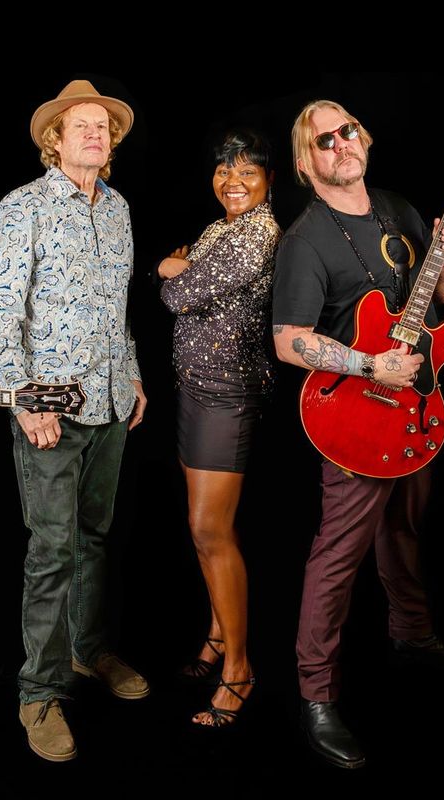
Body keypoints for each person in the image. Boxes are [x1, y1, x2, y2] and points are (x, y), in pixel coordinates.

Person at [271, 100, 444, 770]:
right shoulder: (306, 239)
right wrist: (369, 365)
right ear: (305, 161)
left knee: (405, 528)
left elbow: (441, 296)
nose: (342, 143)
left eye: (348, 131)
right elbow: (288, 340)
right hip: (355, 415)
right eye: (324, 140)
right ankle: (316, 696)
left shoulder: (397, 209)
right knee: (340, 554)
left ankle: (411, 636)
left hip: (415, 404)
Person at [0, 79, 148, 763]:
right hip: (48, 408)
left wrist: (131, 374)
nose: (95, 133)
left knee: (93, 538)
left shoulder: (119, 208)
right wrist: (25, 400)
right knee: (51, 551)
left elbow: (117, 308)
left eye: (103, 126)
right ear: (55, 140)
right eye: (81, 125)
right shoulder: (23, 205)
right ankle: (39, 693)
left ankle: (87, 650)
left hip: (109, 404)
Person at [156, 130, 280, 727]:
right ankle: (215, 635)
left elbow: (178, 295)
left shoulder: (257, 233)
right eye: (225, 169)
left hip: (226, 397)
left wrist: (170, 268)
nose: (233, 180)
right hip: (193, 392)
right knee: (200, 528)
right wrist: (186, 266)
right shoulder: (219, 229)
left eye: (247, 171)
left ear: (270, 180)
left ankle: (240, 669)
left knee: (210, 529)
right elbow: (192, 280)